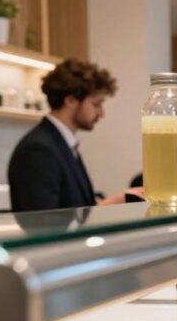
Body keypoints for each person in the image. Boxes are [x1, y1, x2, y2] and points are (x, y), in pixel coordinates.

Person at [8, 58, 141, 211]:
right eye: (96, 104)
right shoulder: (38, 150)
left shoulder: (61, 144)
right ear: (71, 100)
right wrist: (111, 203)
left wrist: (108, 203)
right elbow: (43, 222)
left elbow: (73, 206)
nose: (101, 113)